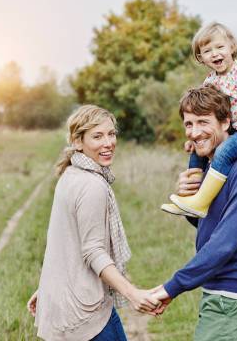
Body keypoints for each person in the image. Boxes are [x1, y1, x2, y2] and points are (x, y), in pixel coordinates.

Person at [26, 104, 161, 341]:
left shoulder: (70, 175)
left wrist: (50, 287)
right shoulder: (92, 185)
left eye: (111, 134)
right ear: (78, 141)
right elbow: (93, 251)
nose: (108, 143)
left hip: (65, 303)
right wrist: (133, 294)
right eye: (97, 136)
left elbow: (65, 241)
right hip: (86, 311)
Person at [153, 86, 237, 341]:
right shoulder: (211, 168)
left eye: (203, 122)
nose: (194, 133)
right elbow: (207, 224)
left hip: (235, 292)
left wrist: (173, 286)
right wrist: (186, 198)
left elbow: (224, 243)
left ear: (226, 121)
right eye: (189, 124)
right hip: (218, 288)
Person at [161, 22, 237, 218]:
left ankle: (200, 201)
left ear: (231, 47)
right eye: (207, 51)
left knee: (224, 151)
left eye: (220, 47)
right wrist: (196, 136)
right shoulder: (210, 82)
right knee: (197, 151)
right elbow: (204, 112)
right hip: (236, 131)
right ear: (200, 58)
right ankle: (190, 196)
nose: (215, 54)